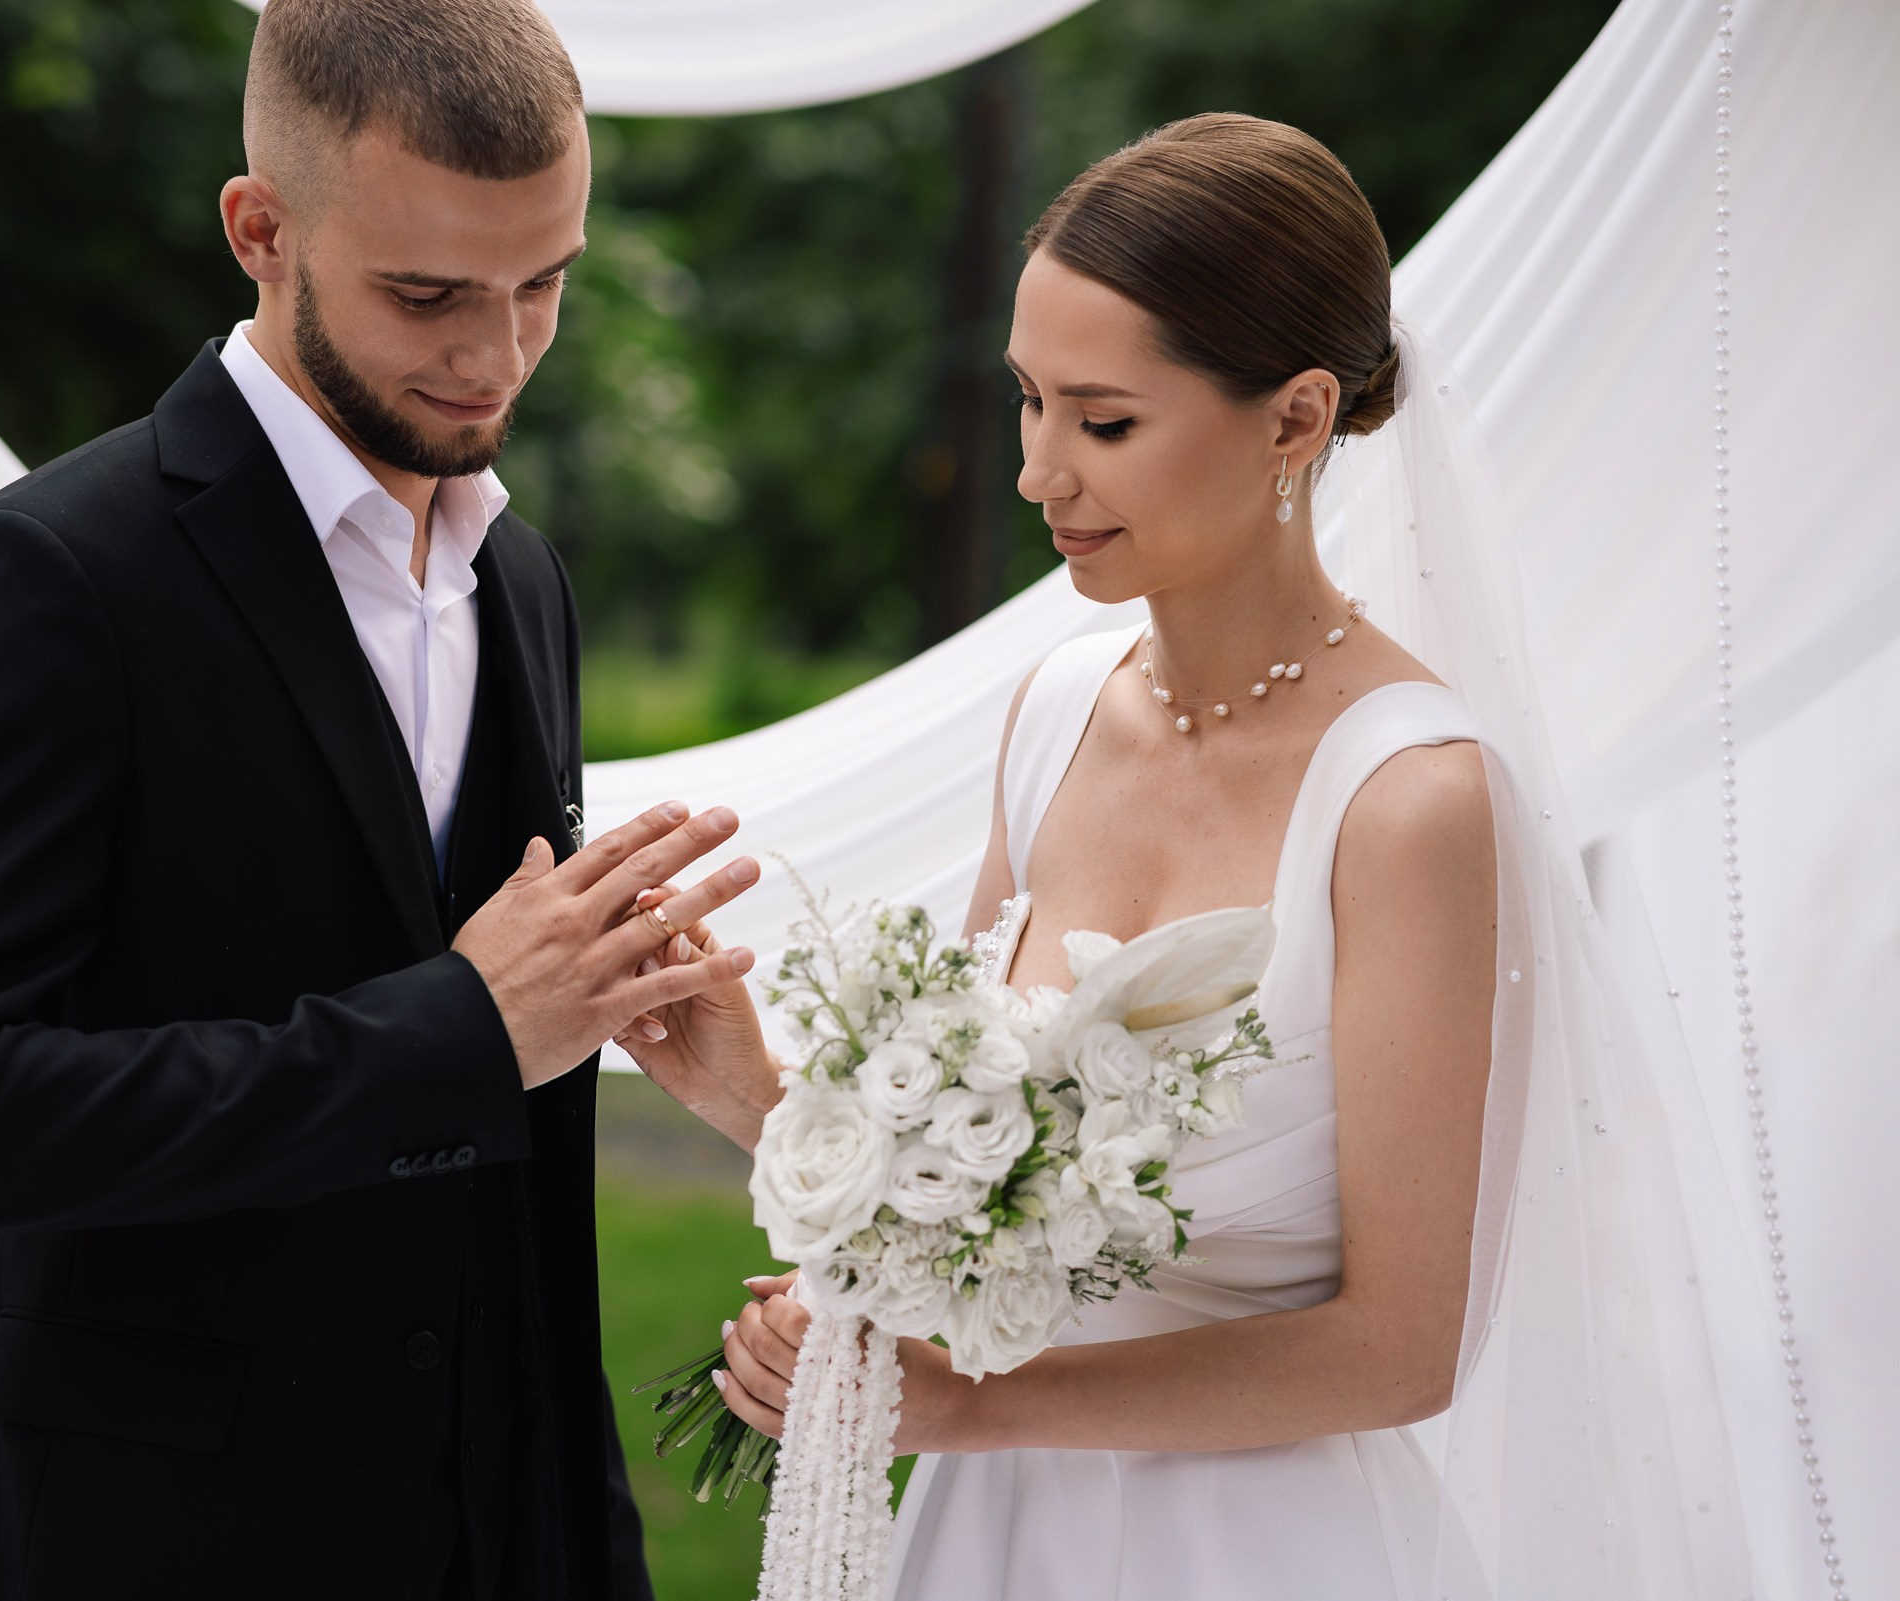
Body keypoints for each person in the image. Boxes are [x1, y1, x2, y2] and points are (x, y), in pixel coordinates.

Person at [622, 114, 1749, 1599]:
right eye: (1025, 402)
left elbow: (1404, 1345)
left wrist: (979, 1402)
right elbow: (981, 1207)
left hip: (1261, 1549)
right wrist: (749, 1095)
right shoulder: (1052, 719)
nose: (1037, 475)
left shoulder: (1409, 800)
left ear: (1295, 419)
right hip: (997, 1539)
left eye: (1103, 422)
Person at [0, 2, 759, 1597]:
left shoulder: (518, 579)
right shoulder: (47, 577)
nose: (497, 355)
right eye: (427, 294)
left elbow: (511, 1175)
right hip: (157, 1546)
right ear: (260, 229)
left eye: (544, 283)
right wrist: (458, 1027)